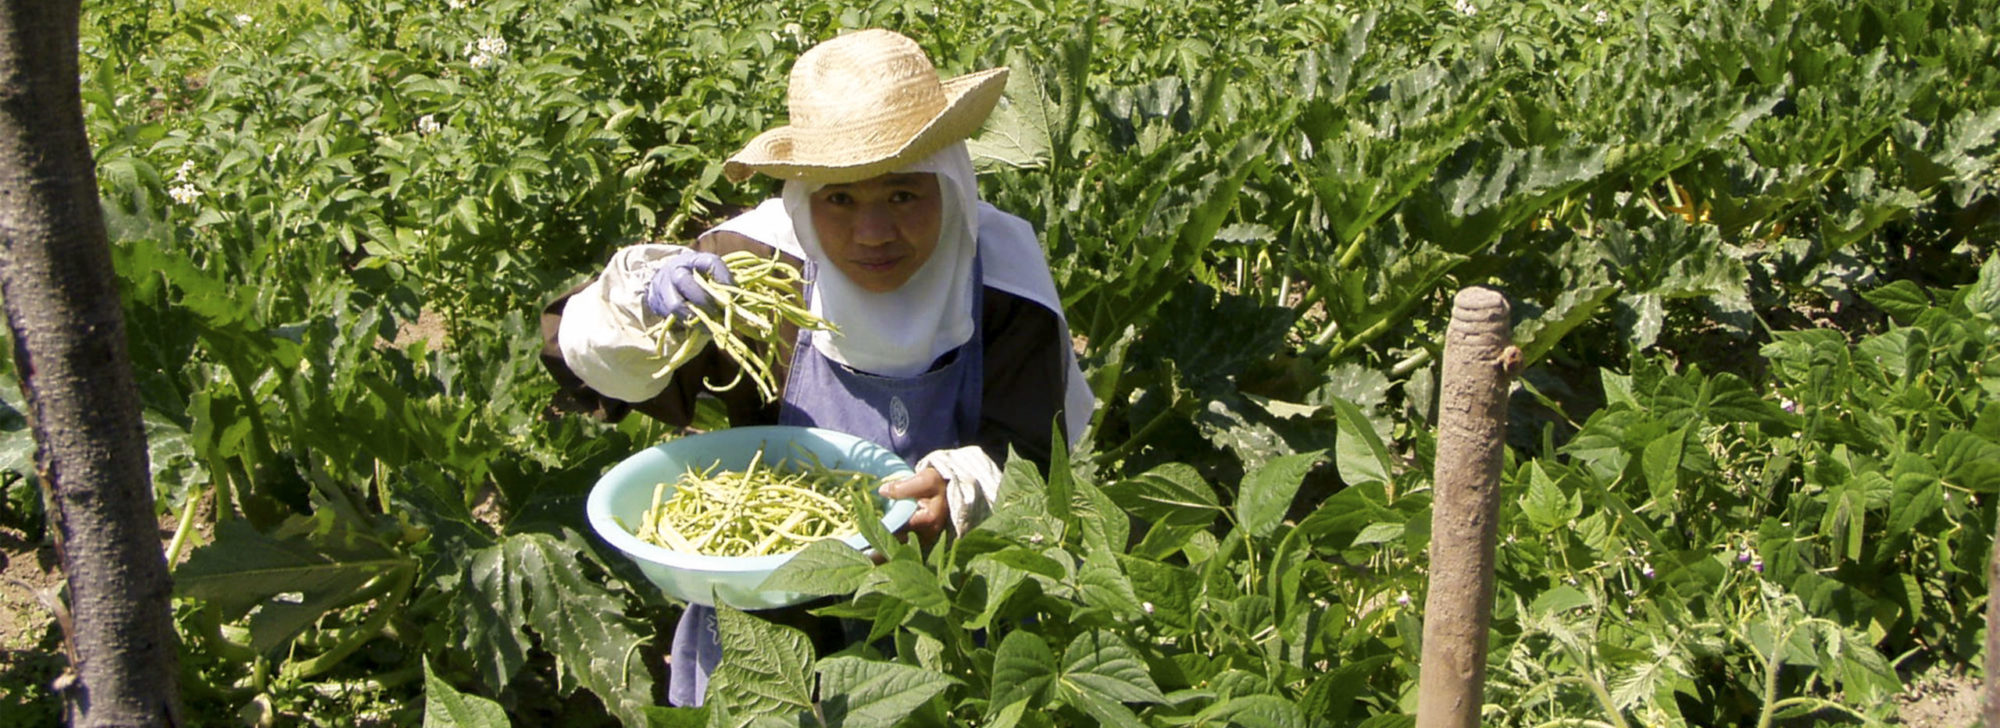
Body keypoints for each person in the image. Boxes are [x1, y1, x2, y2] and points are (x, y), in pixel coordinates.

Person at [537, 28, 1093, 708]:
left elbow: (1038, 456)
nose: (873, 234)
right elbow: (593, 367)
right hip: (765, 605)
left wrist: (966, 491)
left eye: (903, 195)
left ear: (949, 179)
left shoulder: (1000, 279)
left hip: (942, 601)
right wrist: (640, 313)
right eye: (839, 199)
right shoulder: (754, 268)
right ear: (803, 195)